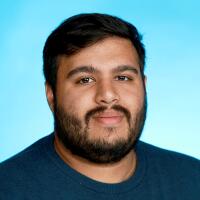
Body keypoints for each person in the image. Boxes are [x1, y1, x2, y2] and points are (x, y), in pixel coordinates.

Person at [0, 13, 199, 200]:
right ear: (51, 95)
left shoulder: (192, 180)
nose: (107, 95)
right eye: (85, 80)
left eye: (123, 77)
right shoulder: (8, 188)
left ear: (144, 87)